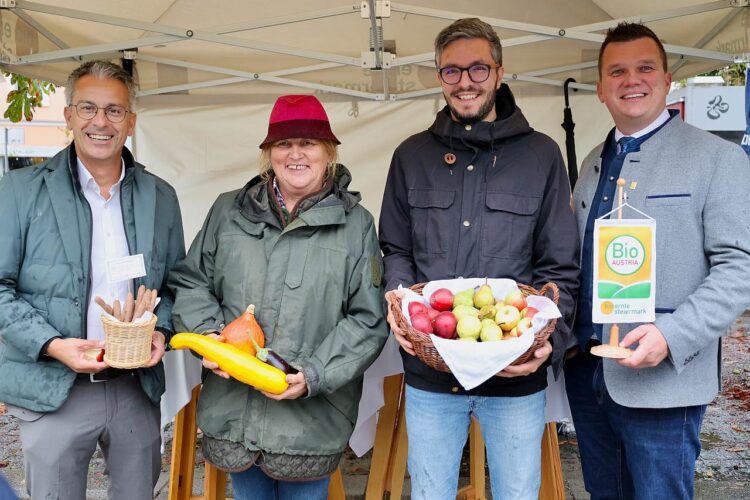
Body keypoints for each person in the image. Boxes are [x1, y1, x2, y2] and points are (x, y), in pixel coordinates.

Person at [379, 18, 580, 500]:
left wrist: (548, 345)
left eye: (477, 68)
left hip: (515, 372)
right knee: (430, 493)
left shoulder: (542, 155)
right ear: (437, 77)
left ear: (500, 72)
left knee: (516, 493)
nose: (465, 81)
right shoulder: (411, 156)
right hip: (433, 371)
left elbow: (560, 269)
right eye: (451, 71)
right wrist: (399, 298)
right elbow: (396, 250)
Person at [168, 94, 388, 499]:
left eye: (308, 143)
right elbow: (191, 280)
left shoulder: (355, 225)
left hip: (311, 418)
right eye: (284, 144)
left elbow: (367, 320)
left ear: (329, 152)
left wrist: (314, 375)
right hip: (235, 409)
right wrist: (211, 337)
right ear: (268, 154)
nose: (295, 154)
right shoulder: (228, 210)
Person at [566, 22, 750, 500]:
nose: (632, 80)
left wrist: (672, 336)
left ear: (667, 80)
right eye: (617, 71)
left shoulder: (717, 159)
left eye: (645, 68)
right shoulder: (591, 162)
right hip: (589, 375)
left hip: (664, 382)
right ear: (601, 89)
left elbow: (740, 268)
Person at [0, 61, 185, 499]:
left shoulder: (160, 196)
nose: (100, 122)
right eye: (87, 108)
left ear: (131, 121)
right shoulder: (20, 192)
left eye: (114, 111)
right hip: (54, 387)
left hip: (134, 388)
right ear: (68, 116)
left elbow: (180, 285)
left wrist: (162, 331)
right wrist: (51, 344)